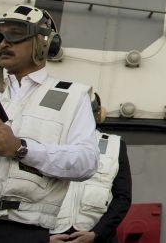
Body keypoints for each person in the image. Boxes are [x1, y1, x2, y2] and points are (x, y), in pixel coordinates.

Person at [0, 4, 99, 243]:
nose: (3, 42)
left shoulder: (72, 95)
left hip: (22, 229)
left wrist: (21, 149)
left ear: (45, 42)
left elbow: (86, 162)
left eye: (16, 33)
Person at [50, 93, 132, 243]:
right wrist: (44, 238)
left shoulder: (115, 145)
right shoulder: (47, 144)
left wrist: (97, 234)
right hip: (53, 235)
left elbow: (122, 197)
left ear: (98, 114)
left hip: (97, 237)